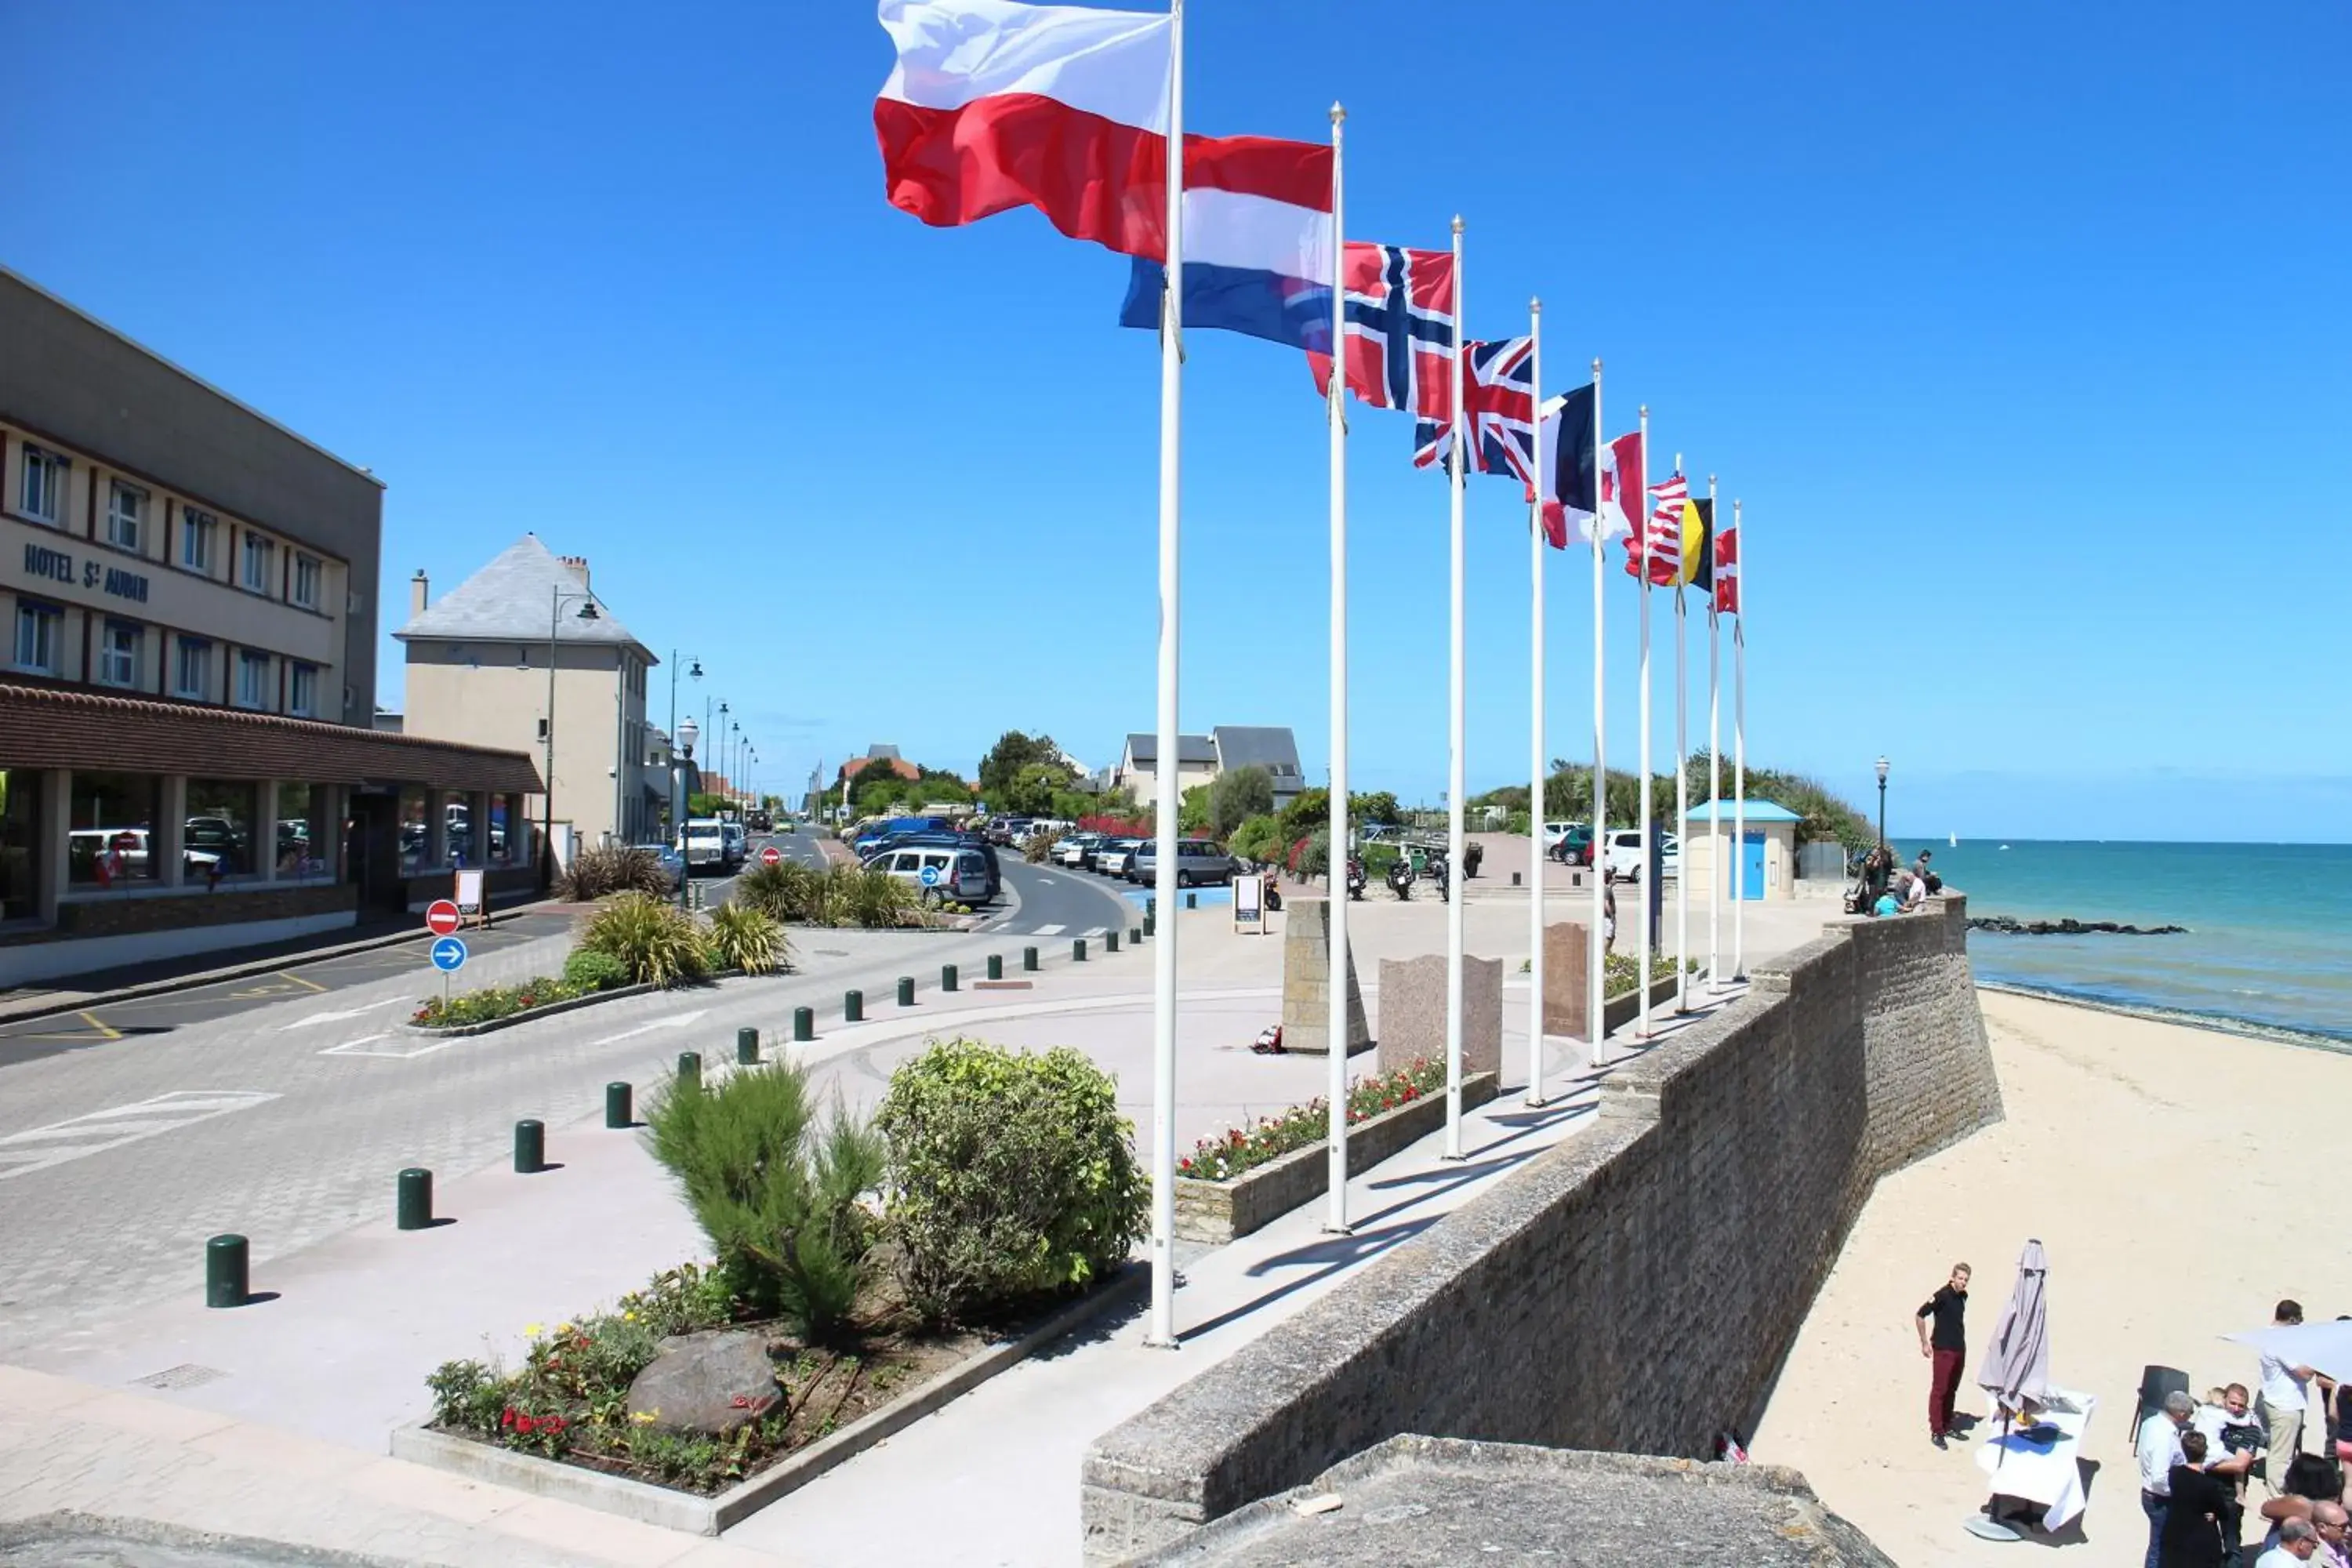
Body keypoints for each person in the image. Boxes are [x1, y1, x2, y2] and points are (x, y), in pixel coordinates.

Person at [2259, 1301, 2320, 1483]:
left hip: (2278, 1401)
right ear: (2292, 1319)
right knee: (2281, 1456)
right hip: (2285, 1405)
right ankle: (2277, 1496)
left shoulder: (2271, 1335)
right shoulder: (2280, 1341)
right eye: (2299, 1320)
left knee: (2281, 1451)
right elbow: (2305, 1373)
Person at [1916, 1262, 1971, 1446]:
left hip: (1958, 1348)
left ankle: (1947, 1425)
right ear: (1953, 1277)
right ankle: (1937, 1430)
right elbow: (1920, 1315)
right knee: (1940, 1389)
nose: (1963, 1282)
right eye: (1960, 1278)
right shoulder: (1942, 1295)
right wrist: (1924, 1342)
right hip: (1943, 1349)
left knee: (1952, 1388)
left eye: (1966, 1280)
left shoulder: (1963, 1296)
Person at [2167, 1431, 2238, 1567]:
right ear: (2205, 1452)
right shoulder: (2208, 1484)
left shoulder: (2174, 1473)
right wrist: (2215, 1514)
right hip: (2201, 1536)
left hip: (2177, 1531)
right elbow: (2223, 1512)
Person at [2147, 1392, 2203, 1568]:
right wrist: (2179, 1493)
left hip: (2152, 1493)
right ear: (2181, 1414)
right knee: (2161, 1547)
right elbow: (2159, 1478)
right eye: (2190, 1413)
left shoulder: (2151, 1423)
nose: (2190, 1416)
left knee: (2159, 1544)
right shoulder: (2165, 1436)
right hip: (2160, 1497)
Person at [2256, 1519, 2322, 1566]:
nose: (2315, 1547)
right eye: (2314, 1543)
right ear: (2301, 1543)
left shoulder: (2265, 1557)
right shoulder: (2290, 1565)